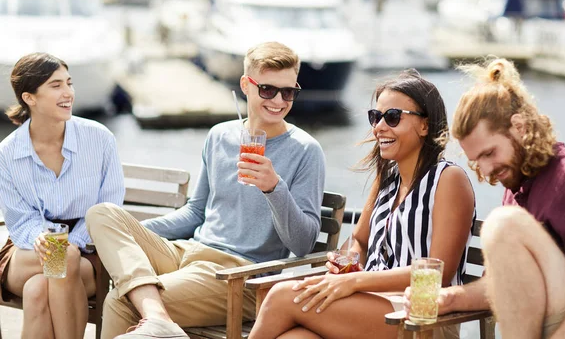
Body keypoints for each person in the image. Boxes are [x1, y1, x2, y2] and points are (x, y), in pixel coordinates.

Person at [85, 41, 326, 339]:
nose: (278, 100)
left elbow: (303, 244)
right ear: (245, 85)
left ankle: (158, 319)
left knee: (123, 301)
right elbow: (195, 212)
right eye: (267, 89)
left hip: (241, 276)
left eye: (288, 92)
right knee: (102, 214)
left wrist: (274, 188)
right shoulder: (220, 135)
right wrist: (133, 234)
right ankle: (158, 318)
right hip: (190, 253)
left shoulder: (306, 150)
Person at [249, 70, 476, 339]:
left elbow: (438, 272)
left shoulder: (448, 179)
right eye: (375, 117)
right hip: (373, 304)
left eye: (392, 117)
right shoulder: (388, 178)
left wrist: (354, 281)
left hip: (422, 316)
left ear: (425, 125)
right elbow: (359, 240)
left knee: (282, 296)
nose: (379, 126)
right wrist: (348, 262)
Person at [405, 58, 565, 339]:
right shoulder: (517, 186)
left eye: (489, 153)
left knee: (503, 223)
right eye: (476, 161)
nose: (486, 171)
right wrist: (449, 299)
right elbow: (499, 286)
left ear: (519, 127)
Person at [0, 52, 125, 339]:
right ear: (29, 97)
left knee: (38, 289)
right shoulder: (7, 153)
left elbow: (108, 205)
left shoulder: (99, 138)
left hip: (89, 250)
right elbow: (19, 220)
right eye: (56, 86)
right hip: (29, 249)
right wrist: (41, 239)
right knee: (61, 256)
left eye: (69, 83)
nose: (68, 93)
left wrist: (74, 242)